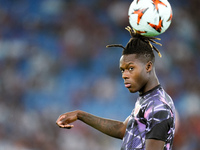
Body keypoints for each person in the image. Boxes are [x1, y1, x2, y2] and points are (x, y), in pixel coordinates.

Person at [56, 26, 176, 150]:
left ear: (148, 67)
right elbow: (123, 129)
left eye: (131, 68)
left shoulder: (158, 107)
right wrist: (80, 115)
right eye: (122, 70)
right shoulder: (147, 99)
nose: (125, 75)